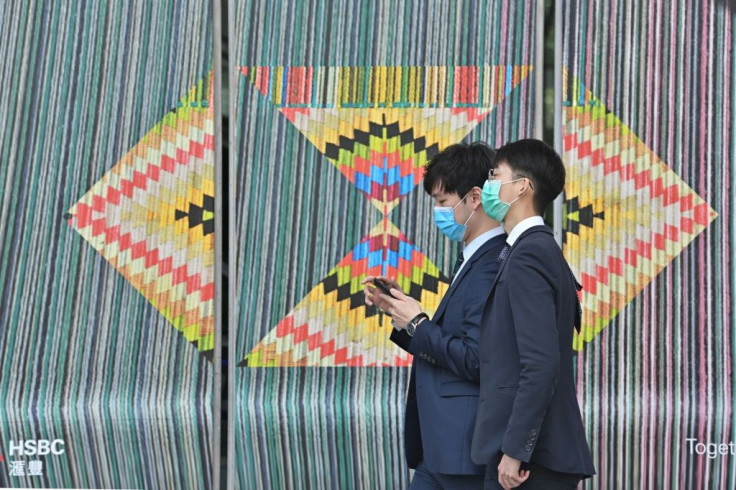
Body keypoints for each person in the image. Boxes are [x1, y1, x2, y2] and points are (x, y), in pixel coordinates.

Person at [363, 142, 507, 489]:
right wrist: (400, 312)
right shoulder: (474, 258)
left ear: (475, 198)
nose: (439, 212)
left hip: (461, 451)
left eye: (443, 202)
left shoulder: (492, 263)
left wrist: (418, 323)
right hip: (442, 448)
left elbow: (475, 359)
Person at [472, 139, 595, 489]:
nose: (488, 185)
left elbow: (540, 362)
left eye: (496, 175)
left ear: (523, 186)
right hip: (529, 455)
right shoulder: (537, 249)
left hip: (529, 462)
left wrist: (514, 450)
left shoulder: (529, 254)